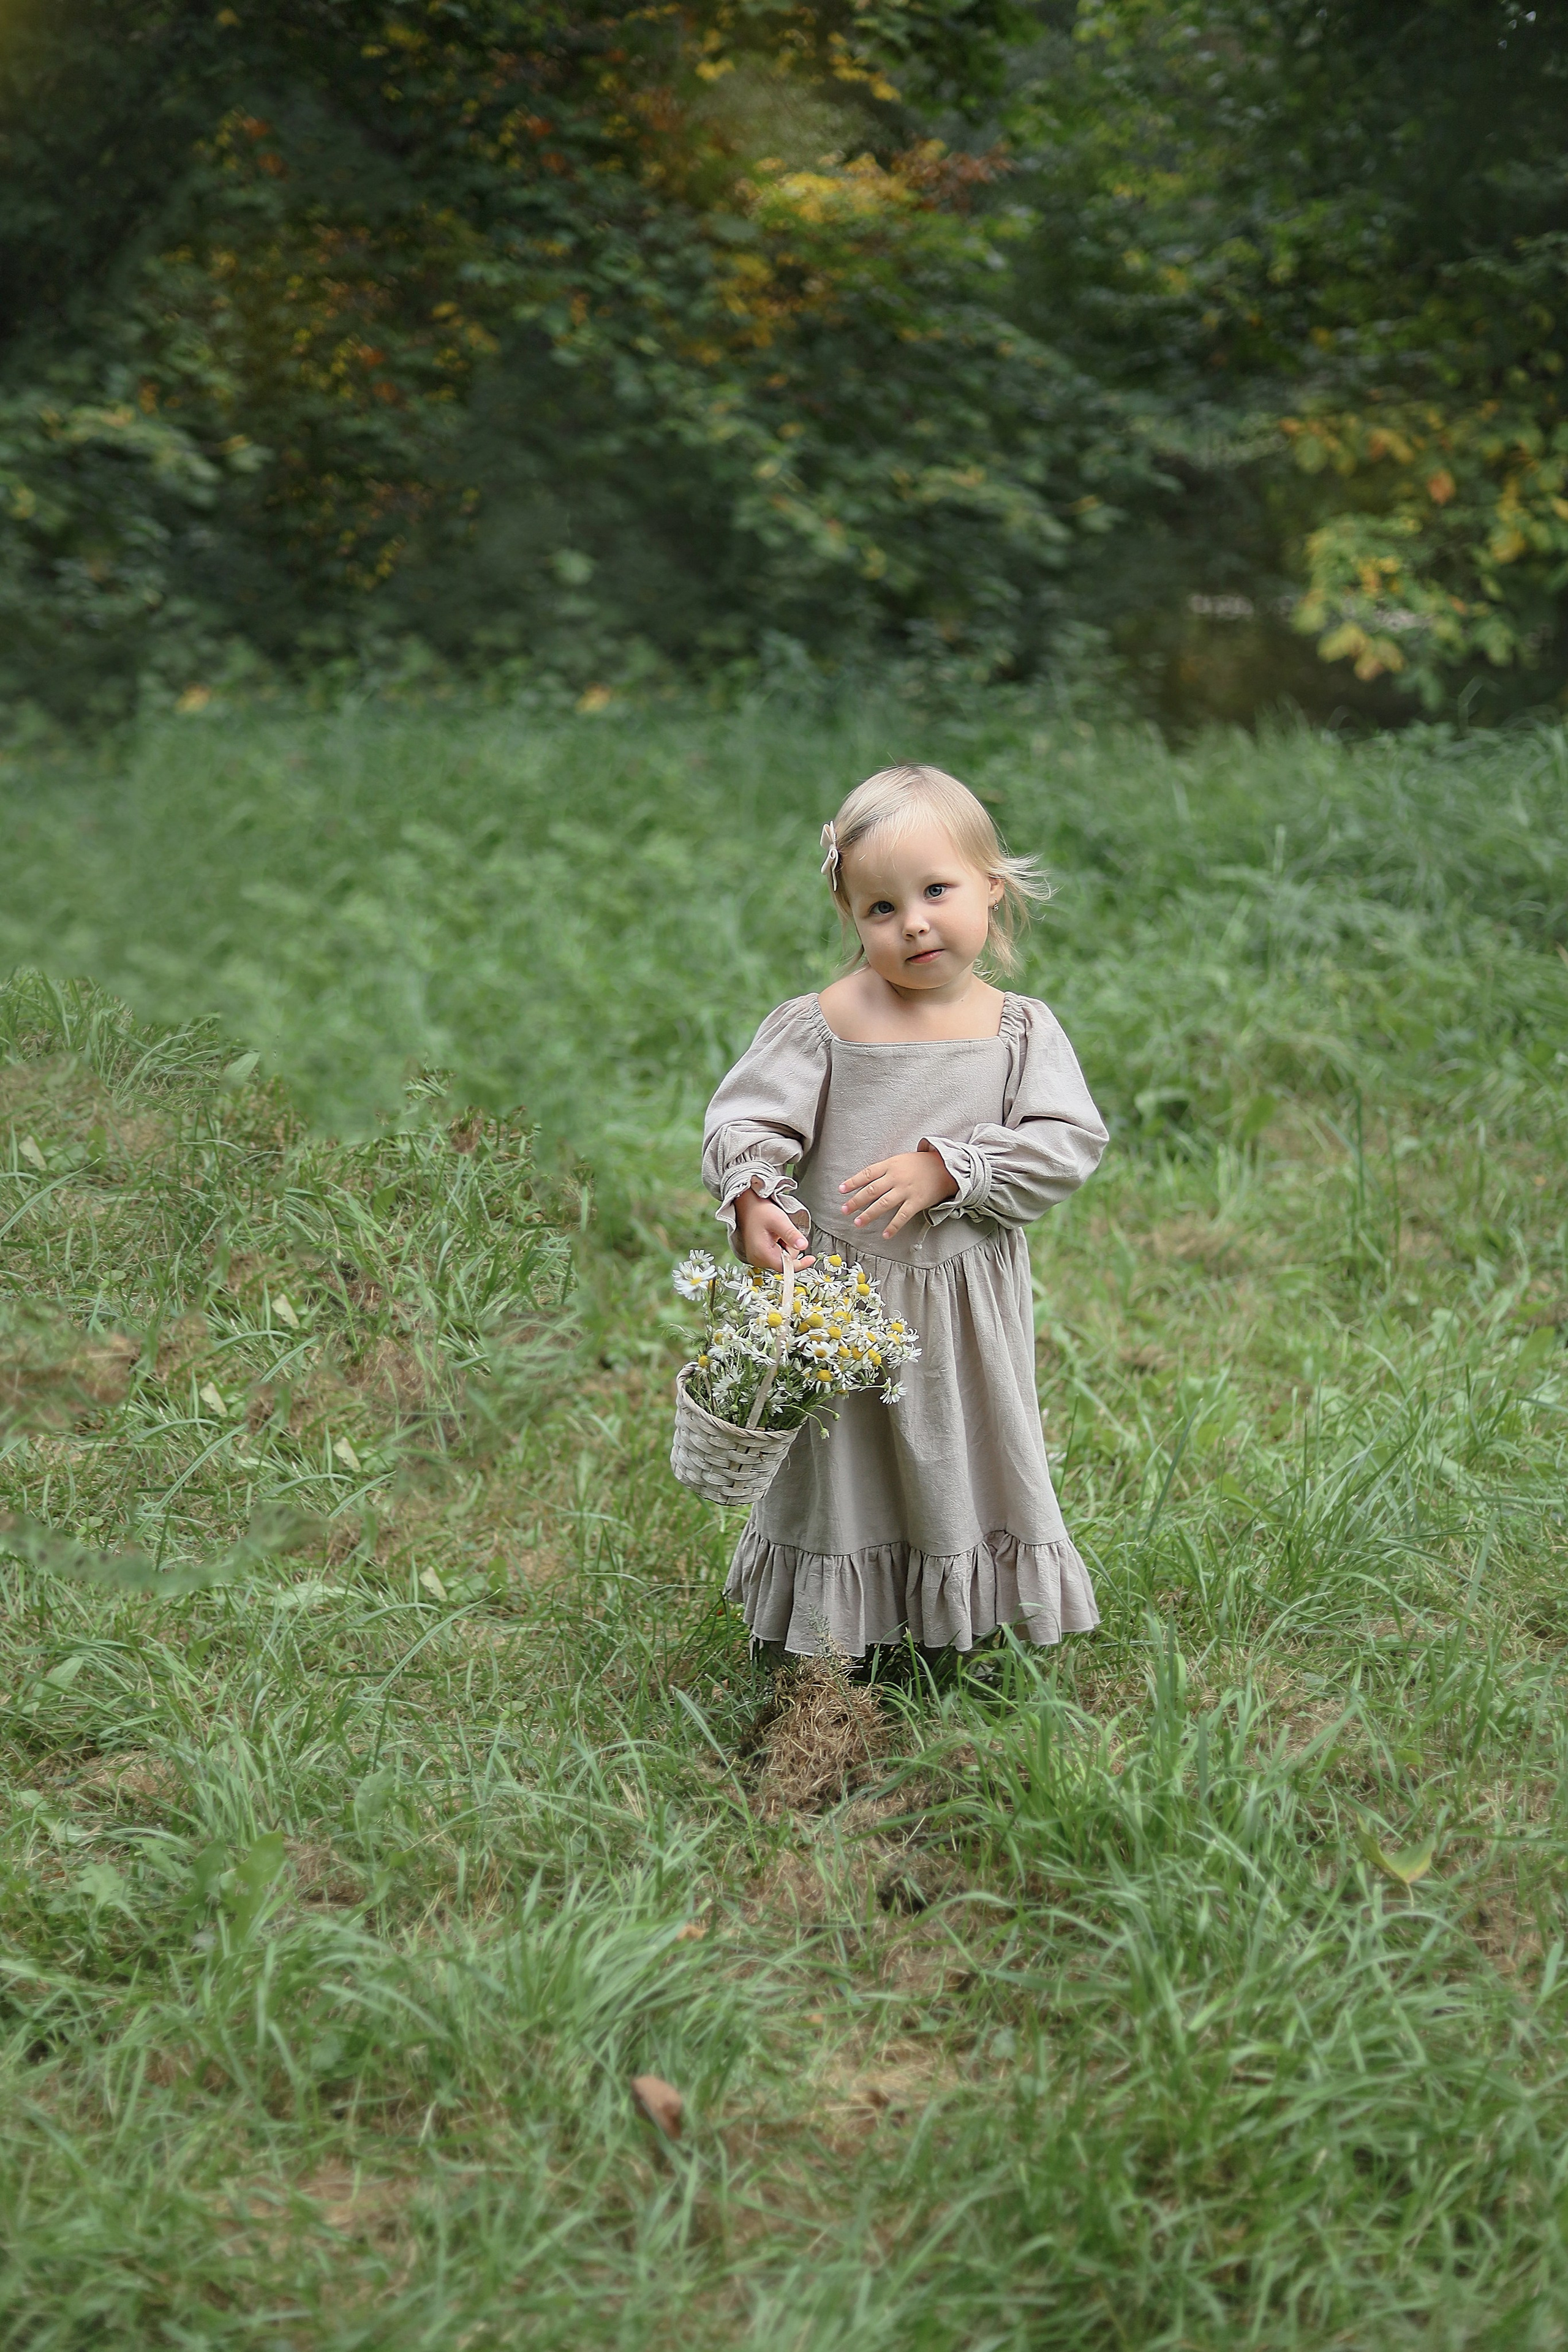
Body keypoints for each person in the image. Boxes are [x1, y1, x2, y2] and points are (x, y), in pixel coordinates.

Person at [701, 763, 1109, 1666]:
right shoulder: (826, 1023)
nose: (913, 922)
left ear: (991, 890)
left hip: (962, 1303)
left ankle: (955, 1622)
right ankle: (825, 1636)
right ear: (849, 916)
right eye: (880, 908)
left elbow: (1066, 1144)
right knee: (843, 1467)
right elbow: (750, 1117)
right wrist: (756, 1193)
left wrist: (952, 1169)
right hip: (846, 1299)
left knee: (961, 1448)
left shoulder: (1018, 1031)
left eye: (936, 890)